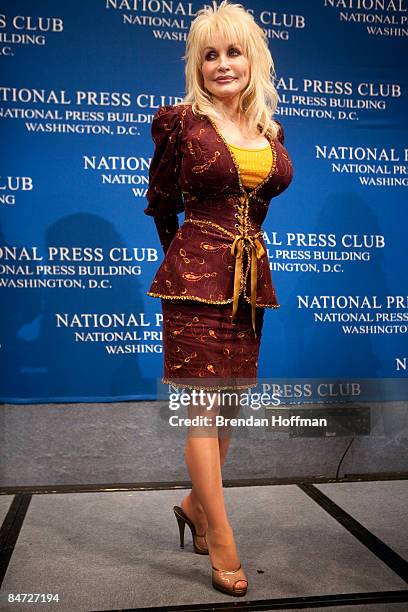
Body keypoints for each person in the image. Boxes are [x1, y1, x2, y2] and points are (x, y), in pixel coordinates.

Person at [144, 0, 293, 597]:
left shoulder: (271, 130)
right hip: (196, 281)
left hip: (249, 284)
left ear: (253, 59)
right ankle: (223, 538)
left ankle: (192, 506)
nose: (223, 64)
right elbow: (160, 201)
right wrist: (184, 256)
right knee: (204, 410)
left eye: (234, 52)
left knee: (230, 406)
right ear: (197, 66)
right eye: (210, 55)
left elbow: (259, 203)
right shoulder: (178, 121)